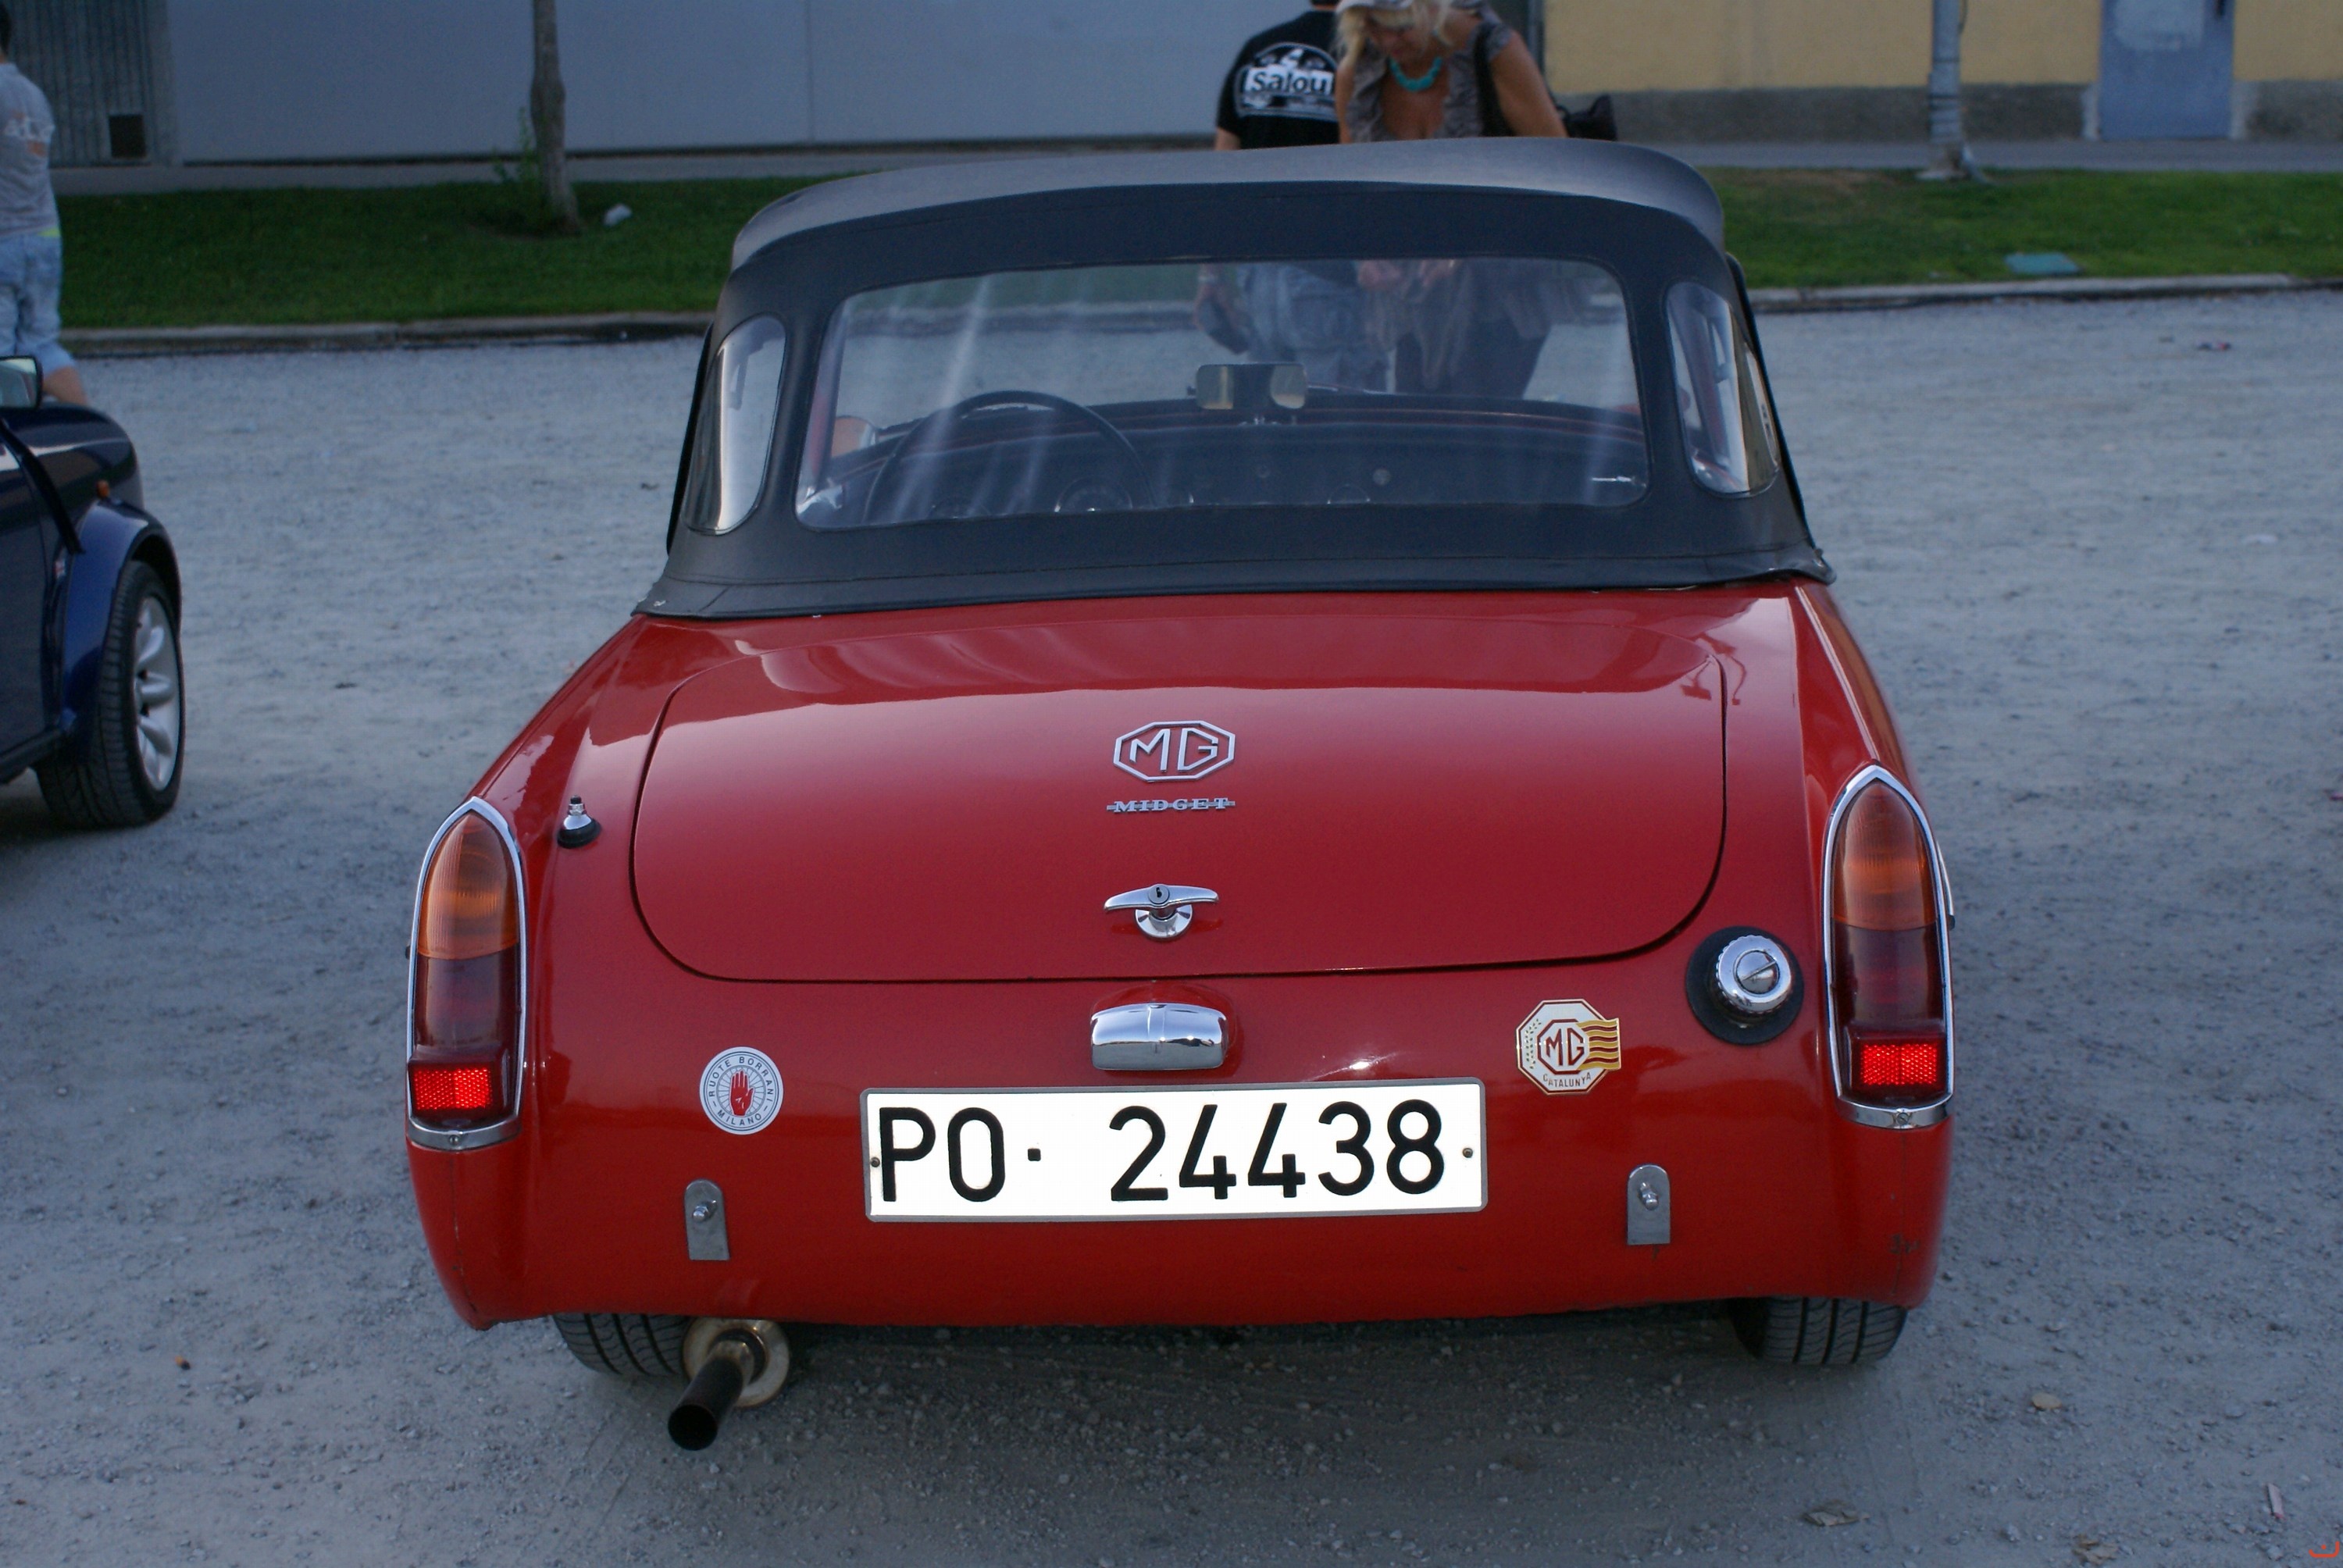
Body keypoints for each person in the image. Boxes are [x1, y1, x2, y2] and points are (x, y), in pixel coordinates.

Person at [1333, 0, 1565, 143]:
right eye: (1372, 24)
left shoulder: (1493, 52)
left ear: (1434, 7)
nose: (1387, 41)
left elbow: (1553, 158)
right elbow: (1351, 182)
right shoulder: (1357, 75)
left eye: (1402, 26)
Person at [0, 4, 81, 404]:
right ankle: (89, 435)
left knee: (3, 357)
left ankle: (12, 438)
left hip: (3, 240)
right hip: (44, 237)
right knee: (42, 348)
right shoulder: (33, 95)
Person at [1214, 0, 1341, 151]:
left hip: (1256, 166)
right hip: (1327, 165)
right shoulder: (1357, 51)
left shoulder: (1257, 47)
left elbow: (1227, 140)